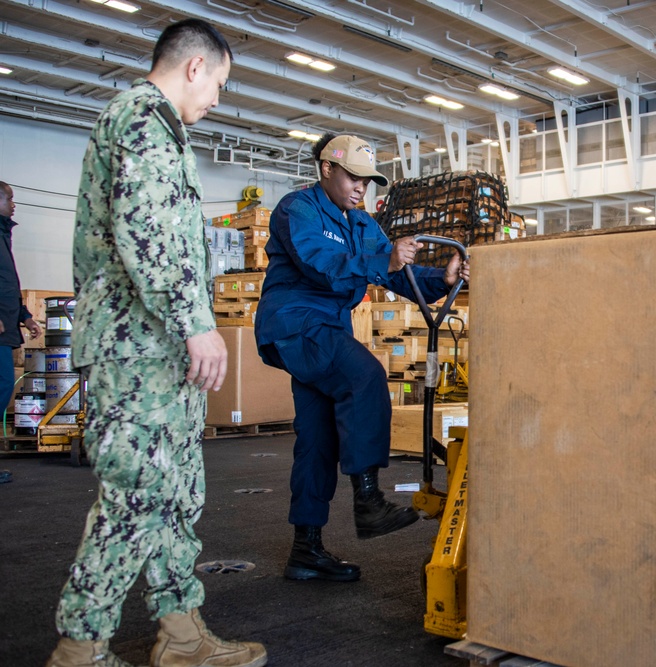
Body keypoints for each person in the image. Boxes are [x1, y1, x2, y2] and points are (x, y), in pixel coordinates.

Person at [46, 19, 267, 667]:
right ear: (193, 66)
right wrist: (197, 321)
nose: (219, 99)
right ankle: (80, 646)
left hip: (154, 347)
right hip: (135, 347)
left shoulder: (153, 127)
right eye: (220, 83)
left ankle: (181, 632)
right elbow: (150, 232)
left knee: (175, 493)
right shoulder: (144, 121)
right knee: (138, 492)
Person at [255, 133, 470, 582]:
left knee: (317, 438)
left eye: (368, 182)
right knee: (365, 376)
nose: (361, 189)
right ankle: (369, 501)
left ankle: (306, 549)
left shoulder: (363, 224)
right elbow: (319, 261)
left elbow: (396, 271)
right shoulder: (298, 210)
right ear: (326, 169)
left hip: (327, 330)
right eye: (353, 177)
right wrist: (383, 260)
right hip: (295, 323)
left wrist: (442, 279)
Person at [0, 182, 42, 408]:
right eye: (9, 199)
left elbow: (7, 286)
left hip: (6, 324)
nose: (14, 205)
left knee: (5, 382)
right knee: (4, 381)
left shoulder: (3, 235)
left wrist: (25, 317)